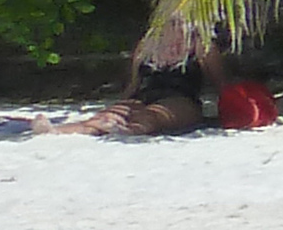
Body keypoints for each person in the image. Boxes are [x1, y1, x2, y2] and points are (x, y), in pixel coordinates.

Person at [64, 15, 221, 138]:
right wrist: (122, 104)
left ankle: (126, 130)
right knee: (109, 115)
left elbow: (221, 84)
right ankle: (58, 130)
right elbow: (133, 85)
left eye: (183, 22)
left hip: (181, 98)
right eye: (173, 22)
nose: (179, 26)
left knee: (151, 116)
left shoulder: (202, 46)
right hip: (144, 95)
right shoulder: (148, 45)